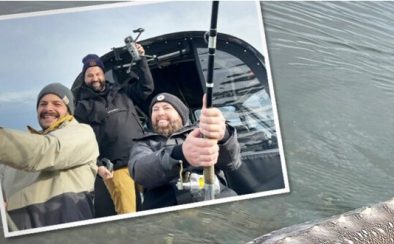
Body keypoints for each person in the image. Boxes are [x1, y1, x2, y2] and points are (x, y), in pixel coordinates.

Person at [0, 83, 98, 230]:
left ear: (69, 110)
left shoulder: (82, 132)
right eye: (43, 104)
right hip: (17, 235)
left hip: (63, 228)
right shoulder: (18, 150)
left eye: (57, 103)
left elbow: (47, 151)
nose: (48, 108)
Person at [74, 45, 154, 217]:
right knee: (128, 216)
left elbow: (146, 88)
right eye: (90, 75)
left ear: (103, 74)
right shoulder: (82, 107)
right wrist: (97, 165)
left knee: (156, 205)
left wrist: (141, 60)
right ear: (84, 79)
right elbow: (80, 142)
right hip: (117, 169)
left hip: (142, 160)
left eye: (97, 74)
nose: (94, 78)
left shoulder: (122, 91)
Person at [128, 93, 241, 210]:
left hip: (219, 204)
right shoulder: (143, 144)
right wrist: (179, 154)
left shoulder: (201, 131)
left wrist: (223, 135)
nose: (160, 113)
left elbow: (232, 162)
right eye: (155, 110)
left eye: (167, 108)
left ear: (181, 115)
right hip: (166, 215)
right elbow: (139, 172)